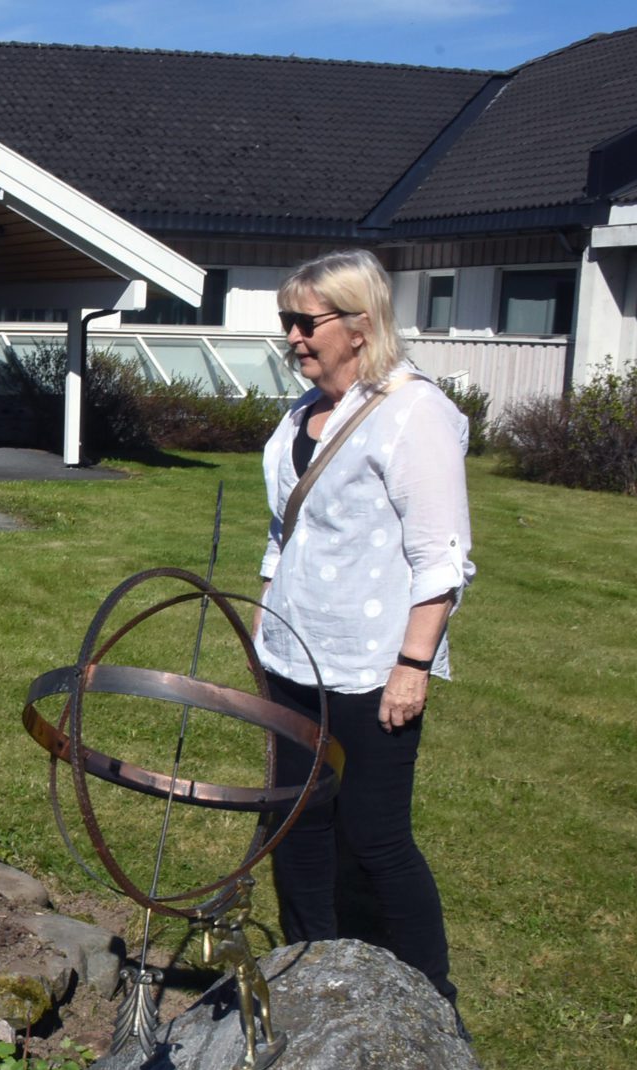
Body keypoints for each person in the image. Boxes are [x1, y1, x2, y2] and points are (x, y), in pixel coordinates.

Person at [255, 249, 475, 1009]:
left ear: (360, 323)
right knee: (293, 823)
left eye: (304, 321)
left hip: (369, 668)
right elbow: (285, 531)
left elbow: (441, 556)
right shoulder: (298, 416)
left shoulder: (414, 413)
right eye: (287, 321)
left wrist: (413, 663)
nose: (292, 337)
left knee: (376, 841)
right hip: (291, 656)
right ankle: (307, 975)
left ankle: (430, 1006)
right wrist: (263, 611)